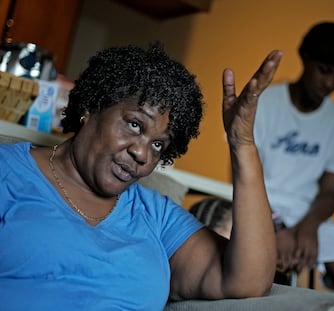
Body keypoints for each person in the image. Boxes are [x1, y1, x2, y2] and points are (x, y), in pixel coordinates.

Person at [0, 43, 283, 310]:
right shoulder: (7, 171)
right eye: (134, 125)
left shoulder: (155, 216)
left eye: (158, 144)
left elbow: (249, 281)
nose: (142, 153)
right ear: (91, 107)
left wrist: (242, 144)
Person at [253, 21, 334, 305]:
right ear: (306, 57)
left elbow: (329, 193)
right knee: (257, 281)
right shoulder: (264, 102)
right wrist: (274, 228)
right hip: (257, 206)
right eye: (324, 71)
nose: (329, 84)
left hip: (313, 216)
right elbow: (246, 175)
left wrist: (308, 229)